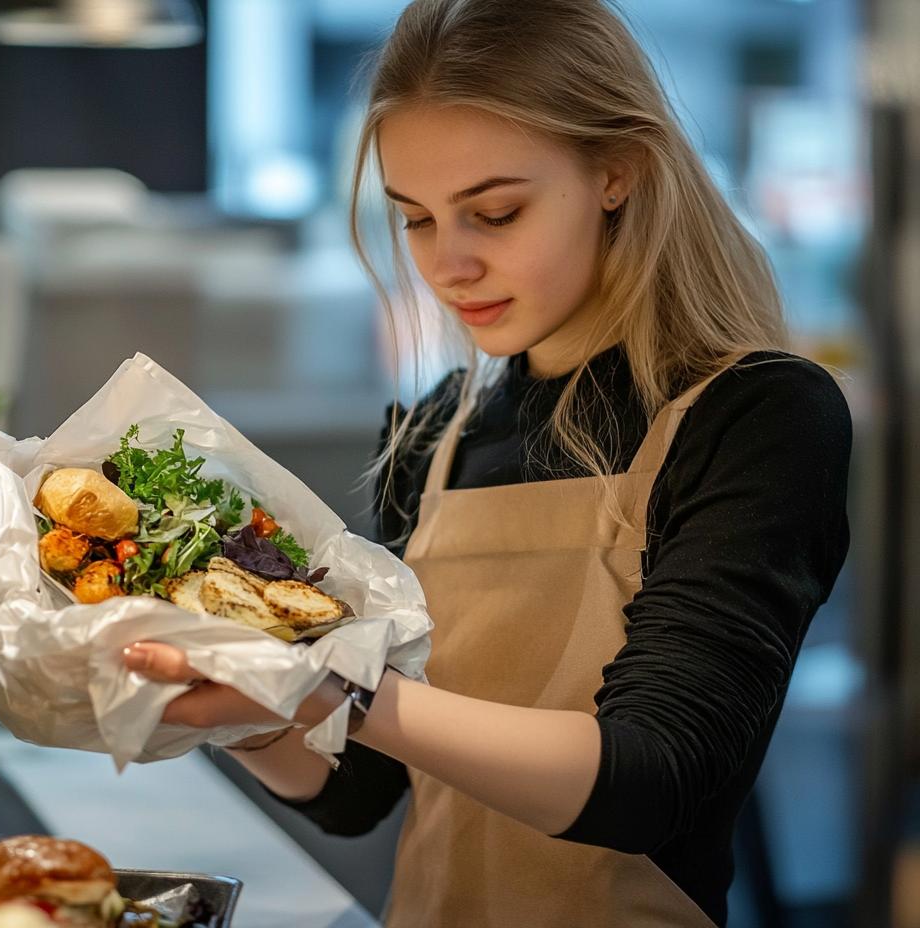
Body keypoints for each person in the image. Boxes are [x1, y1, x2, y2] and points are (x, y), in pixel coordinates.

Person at [121, 1, 852, 924]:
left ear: (617, 174)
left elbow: (652, 780)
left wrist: (330, 680)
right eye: (417, 220)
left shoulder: (758, 415)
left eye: (494, 213)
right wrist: (232, 709)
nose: (448, 265)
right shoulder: (432, 439)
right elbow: (361, 790)